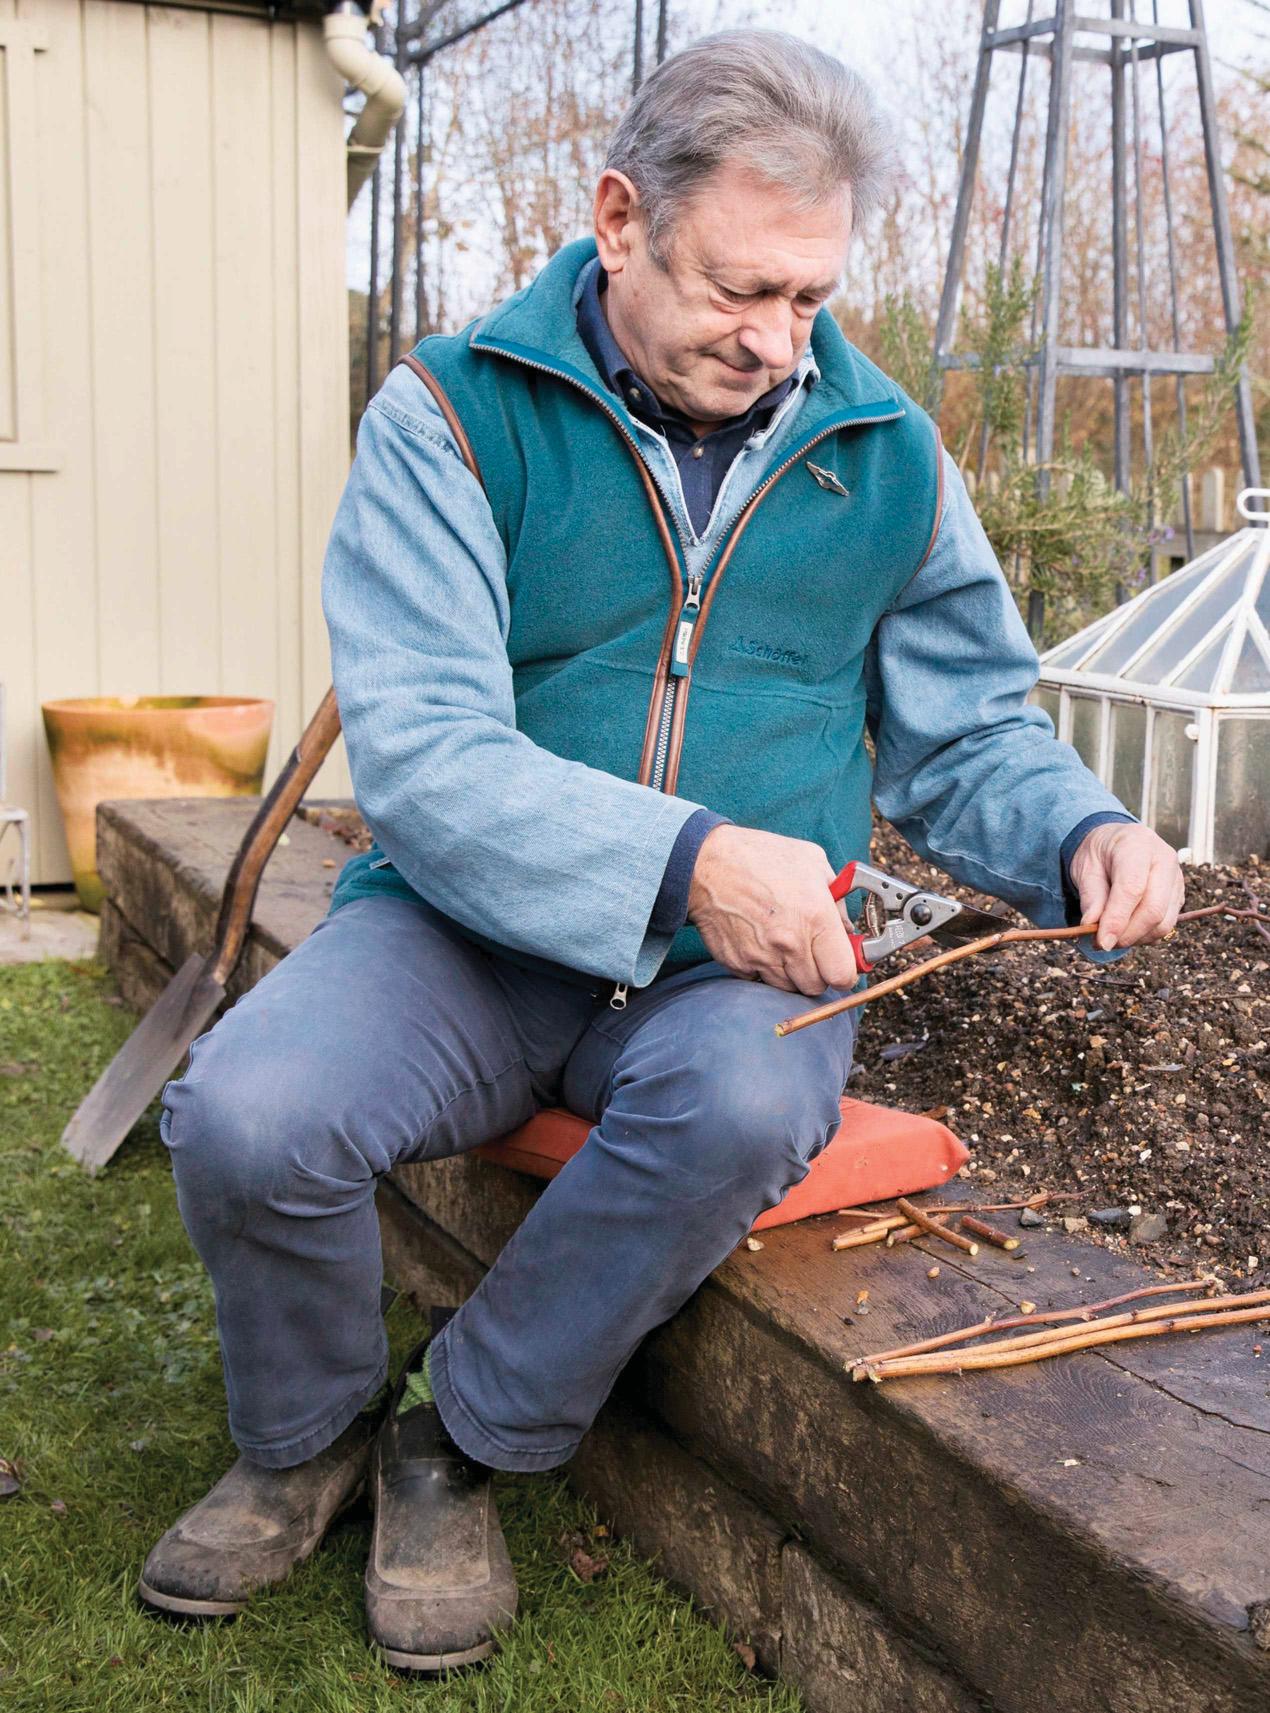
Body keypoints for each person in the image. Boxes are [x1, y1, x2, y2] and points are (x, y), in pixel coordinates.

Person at [139, 28, 1184, 1673]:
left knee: (752, 1100)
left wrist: (1081, 824)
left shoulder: (888, 456)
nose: (776, 344)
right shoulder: (451, 415)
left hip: (731, 972)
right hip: (463, 927)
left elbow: (967, 726)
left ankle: (461, 1440)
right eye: (737, 291)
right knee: (252, 1115)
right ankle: (306, 1439)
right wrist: (690, 854)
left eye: (809, 303)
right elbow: (419, 754)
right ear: (619, 219)